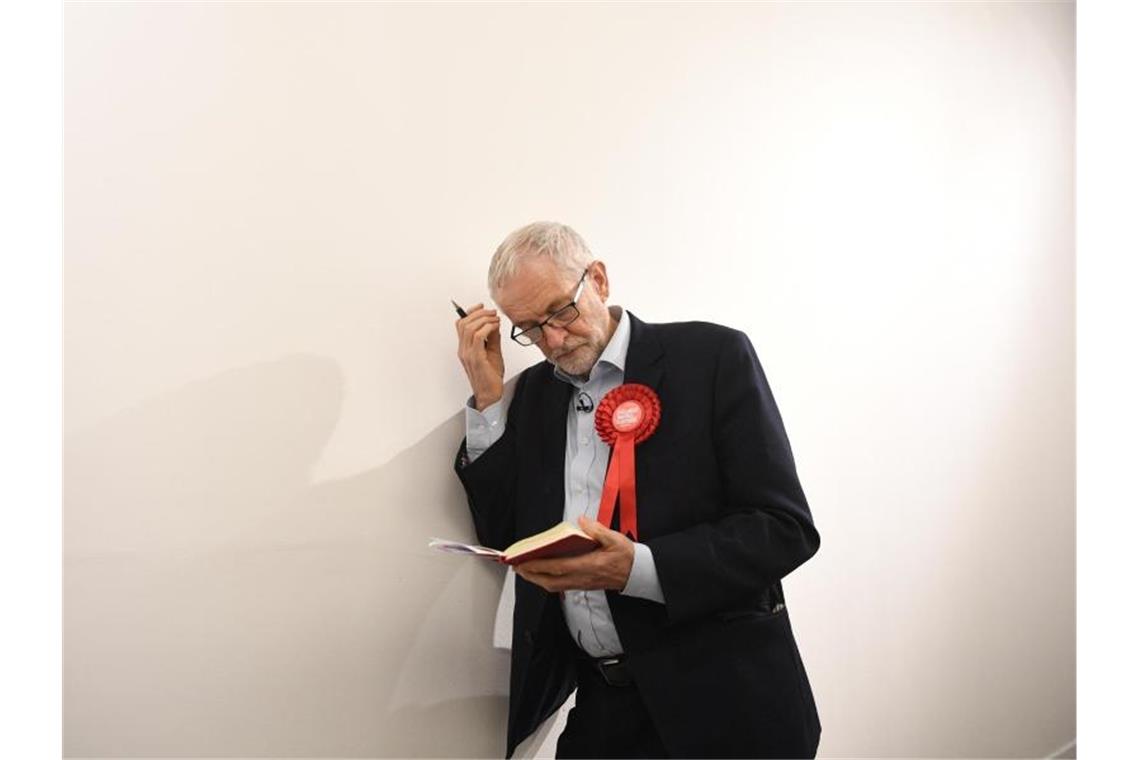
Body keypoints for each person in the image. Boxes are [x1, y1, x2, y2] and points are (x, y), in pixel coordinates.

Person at [453, 221, 821, 759]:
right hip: (605, 710)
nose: (552, 341)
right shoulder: (533, 396)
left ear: (598, 280)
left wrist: (639, 568)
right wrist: (488, 400)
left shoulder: (712, 357)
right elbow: (509, 534)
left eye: (561, 311)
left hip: (728, 706)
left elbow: (784, 530)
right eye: (529, 328)